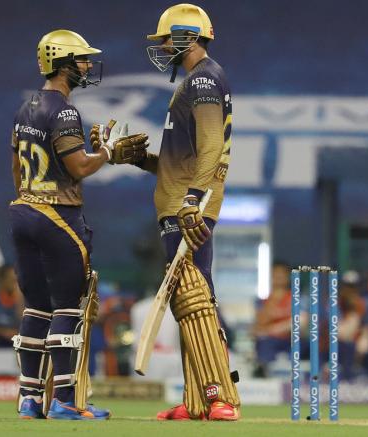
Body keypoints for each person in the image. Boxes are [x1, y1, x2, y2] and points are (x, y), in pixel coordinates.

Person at [91, 4, 239, 420]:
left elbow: (211, 145)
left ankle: (219, 398)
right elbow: (183, 159)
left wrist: (193, 199)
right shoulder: (197, 80)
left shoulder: (205, 78)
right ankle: (199, 400)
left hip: (187, 207)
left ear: (187, 37)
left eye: (166, 39)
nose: (161, 47)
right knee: (190, 302)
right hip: (180, 203)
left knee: (195, 300)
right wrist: (139, 161)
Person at [9, 29, 149, 420]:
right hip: (58, 216)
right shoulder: (65, 111)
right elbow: (80, 166)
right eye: (82, 59)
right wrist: (107, 150)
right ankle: (66, 400)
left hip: (24, 209)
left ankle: (29, 399)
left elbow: (16, 168)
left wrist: (33, 197)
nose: (88, 65)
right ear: (63, 63)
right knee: (67, 306)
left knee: (36, 307)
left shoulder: (26, 107)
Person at [253, 261, 293, 377]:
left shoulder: (296, 298)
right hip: (269, 342)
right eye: (276, 275)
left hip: (291, 340)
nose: (279, 278)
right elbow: (259, 324)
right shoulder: (262, 300)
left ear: (288, 277)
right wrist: (275, 300)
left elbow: (298, 324)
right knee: (264, 342)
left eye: (282, 275)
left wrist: (270, 329)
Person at [336, 271, 368, 381]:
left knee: (364, 340)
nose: (351, 290)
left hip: (354, 339)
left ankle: (357, 371)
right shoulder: (335, 302)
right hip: (335, 340)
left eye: (353, 287)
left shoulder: (361, 303)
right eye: (348, 286)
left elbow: (365, 325)